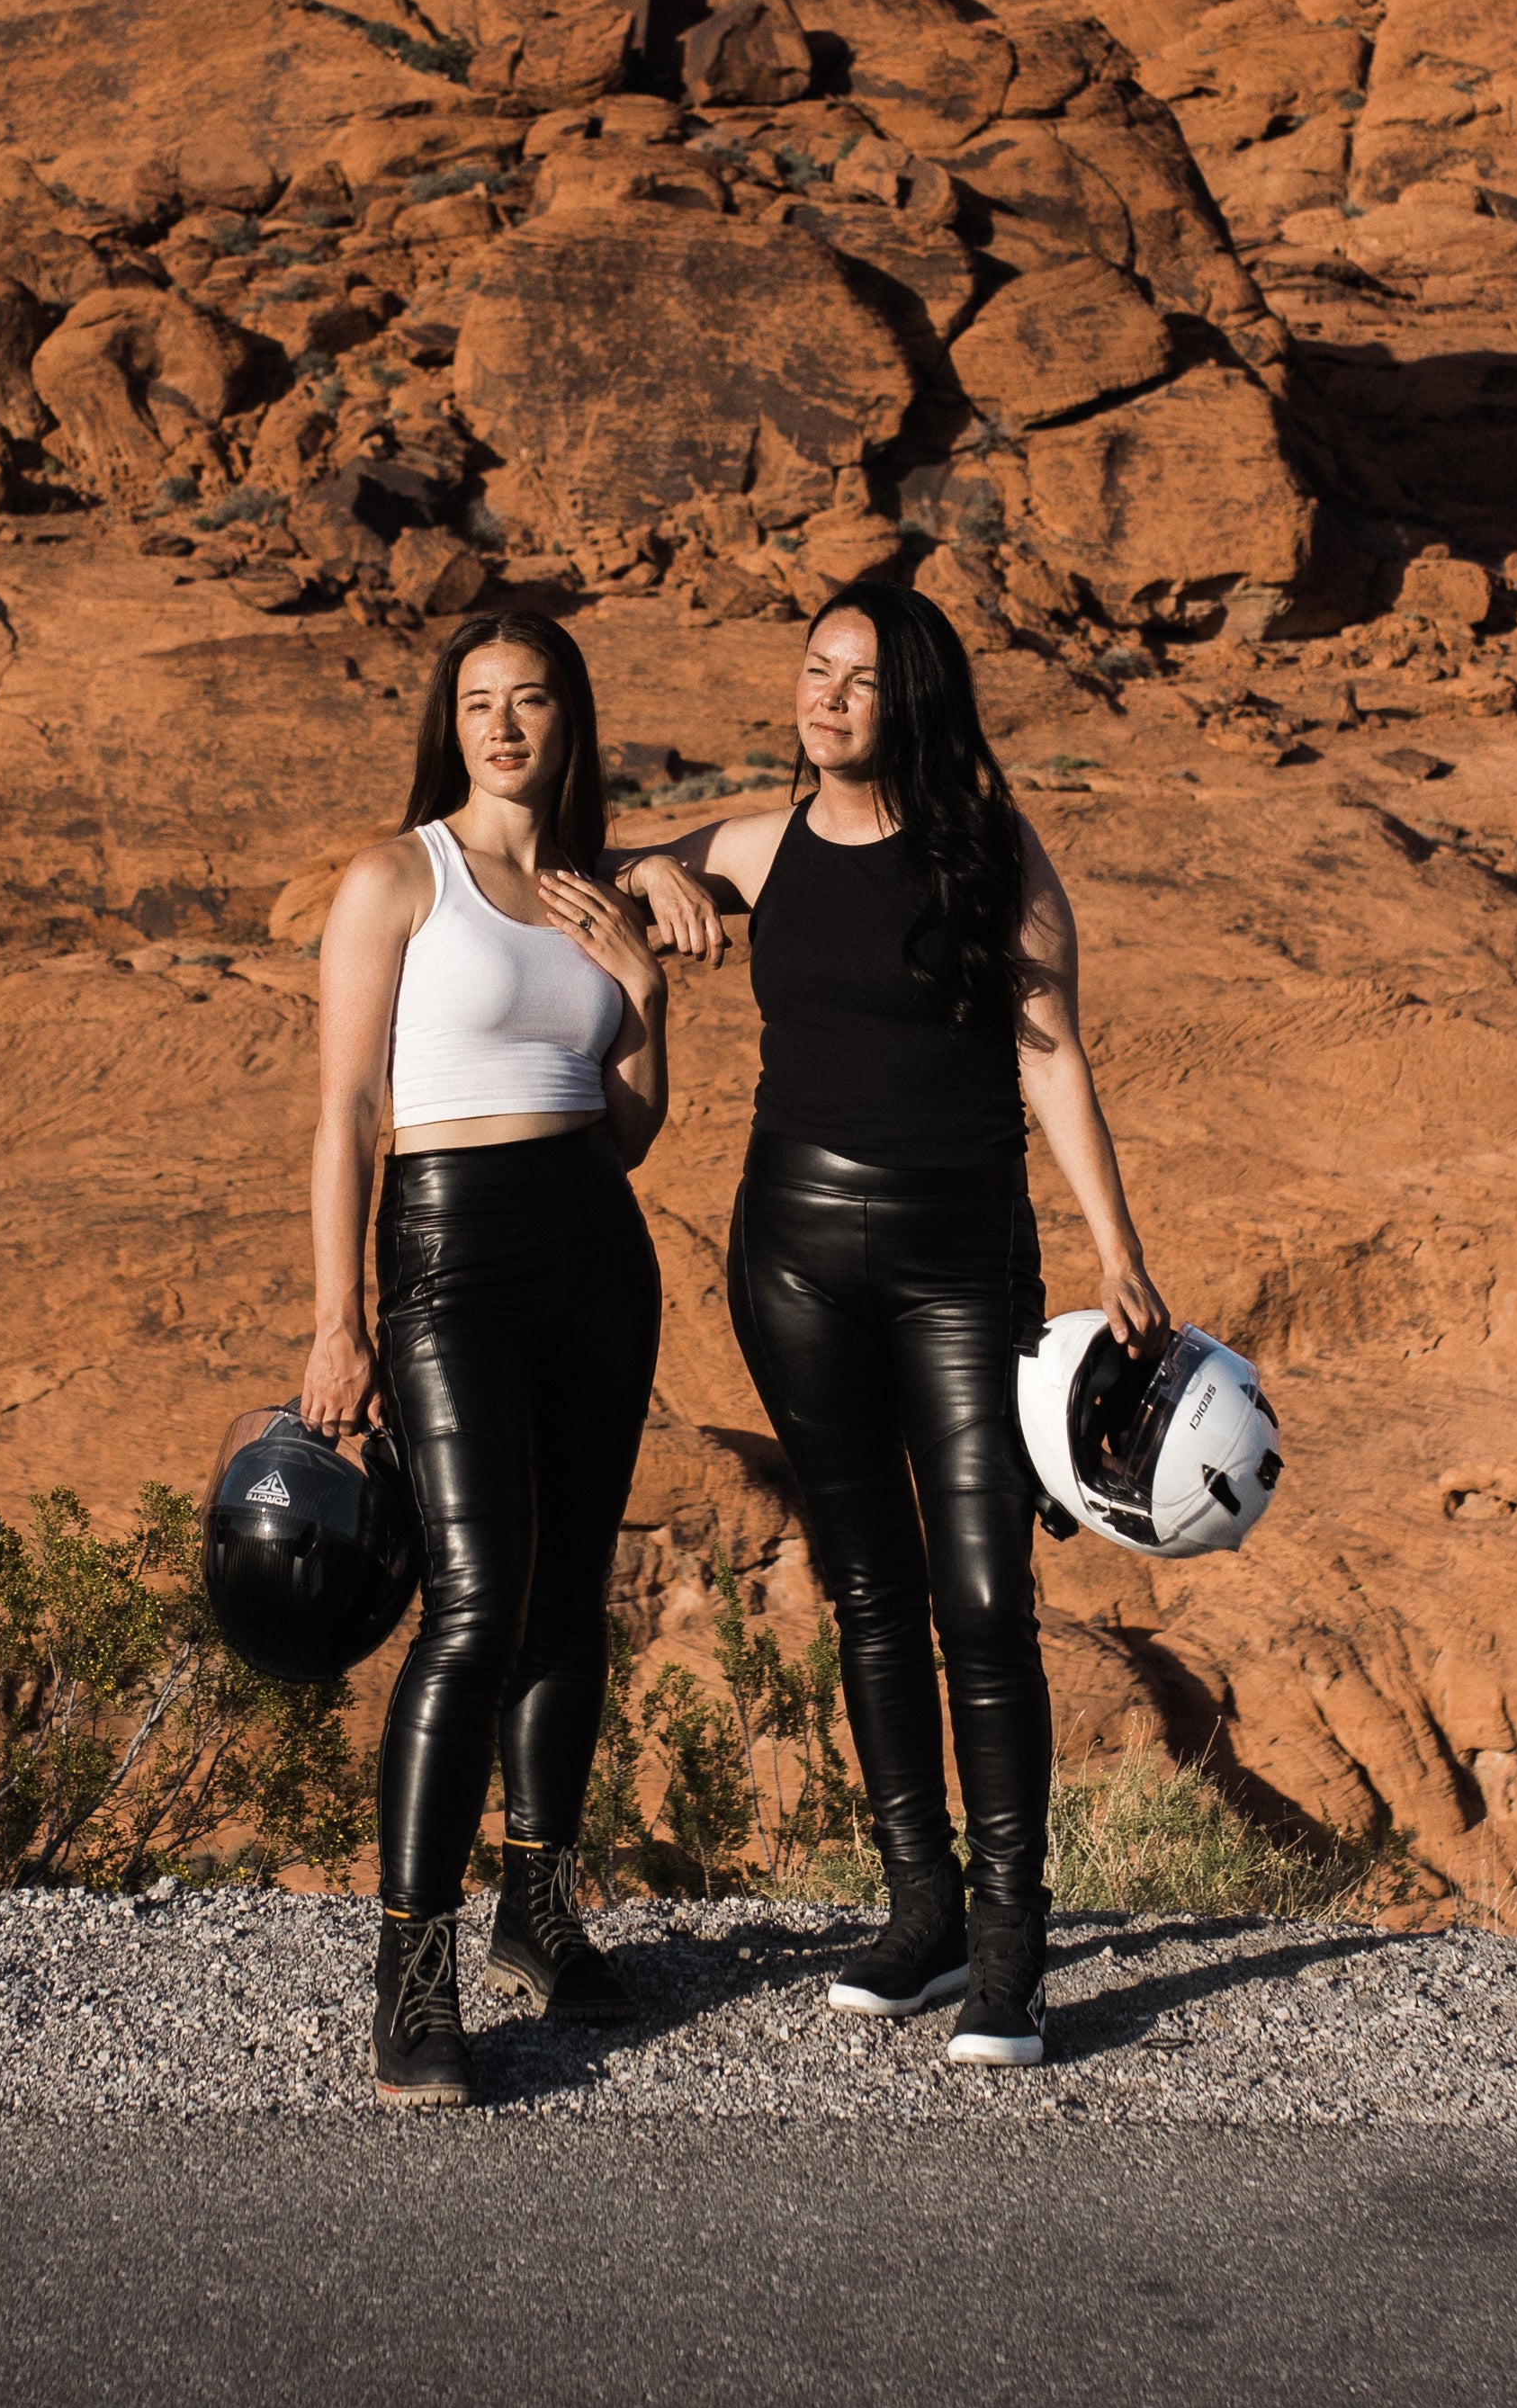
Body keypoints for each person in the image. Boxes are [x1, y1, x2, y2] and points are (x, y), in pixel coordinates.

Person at [622, 575, 1171, 2071]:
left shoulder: (990, 850)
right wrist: (656, 877)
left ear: (911, 701)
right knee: (868, 1590)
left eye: (859, 678)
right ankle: (920, 1909)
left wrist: (1115, 1249)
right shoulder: (754, 843)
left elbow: (1051, 1054)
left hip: (957, 1257)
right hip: (794, 1256)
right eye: (815, 670)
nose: (828, 696)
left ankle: (1013, 1948)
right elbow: (600, 881)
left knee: (983, 1596)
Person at [297, 609, 670, 2107]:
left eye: (530, 702)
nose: (504, 727)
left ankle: (537, 1906)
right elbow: (343, 1116)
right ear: (449, 725)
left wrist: (647, 982)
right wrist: (339, 1318)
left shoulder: (588, 894)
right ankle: (411, 1972)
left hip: (596, 1244)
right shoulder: (400, 877)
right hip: (449, 1255)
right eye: (477, 704)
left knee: (574, 1599)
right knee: (474, 1608)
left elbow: (635, 1127)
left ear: (573, 719)